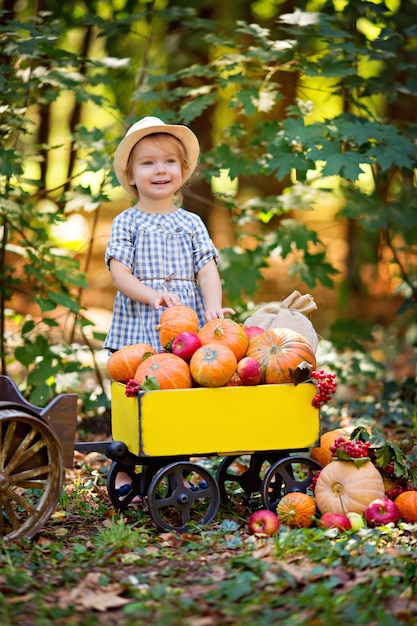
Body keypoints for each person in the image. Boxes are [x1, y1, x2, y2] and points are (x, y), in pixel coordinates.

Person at [104, 116, 234, 354]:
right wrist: (152, 295)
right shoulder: (126, 221)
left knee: (183, 378)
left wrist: (213, 307)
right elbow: (120, 275)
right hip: (141, 320)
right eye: (147, 163)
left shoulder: (192, 222)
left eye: (169, 161)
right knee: (143, 373)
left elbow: (207, 272)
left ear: (182, 171)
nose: (160, 169)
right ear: (131, 175)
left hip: (187, 322)